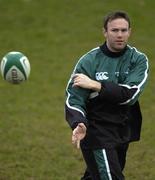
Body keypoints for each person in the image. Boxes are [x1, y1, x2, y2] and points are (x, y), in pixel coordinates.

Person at [65, 11, 149, 180]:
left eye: (124, 30)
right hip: (97, 132)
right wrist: (79, 122)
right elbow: (74, 98)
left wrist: (96, 85)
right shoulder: (89, 61)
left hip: (122, 131)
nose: (120, 35)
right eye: (114, 30)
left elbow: (129, 95)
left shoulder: (138, 60)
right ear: (105, 32)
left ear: (129, 32)